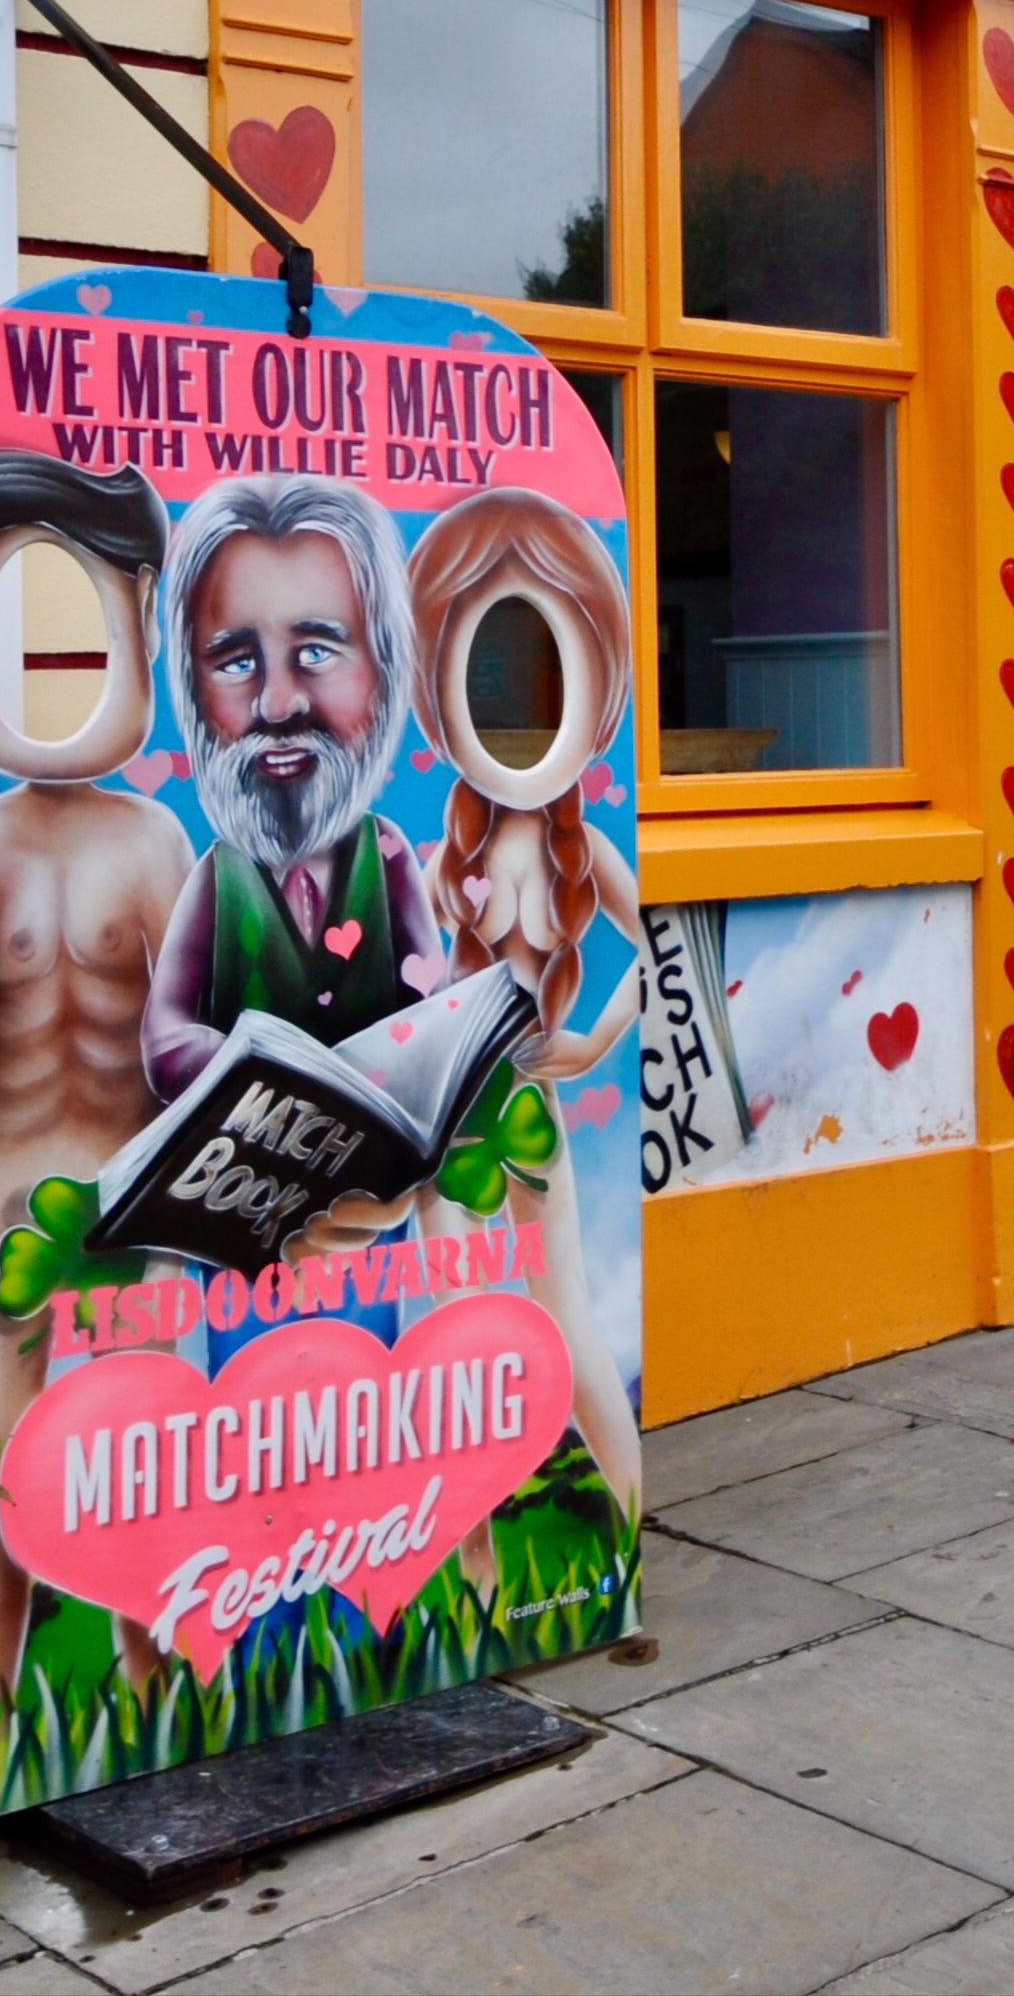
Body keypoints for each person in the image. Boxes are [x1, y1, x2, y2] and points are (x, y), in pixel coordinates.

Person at [0, 451, 193, 1732]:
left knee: (150, 1455)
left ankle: (164, 1692)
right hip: (4, 1198)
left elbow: (189, 1037)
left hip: (140, 1197)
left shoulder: (153, 841)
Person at [402, 489, 644, 1515]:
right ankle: (505, 1546)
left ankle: (570, 1543)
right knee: (510, 1318)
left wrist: (593, 1043)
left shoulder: (568, 849)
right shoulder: (452, 857)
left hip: (489, 1110)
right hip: (490, 1112)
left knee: (512, 1321)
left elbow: (653, 947)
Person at [142, 476, 451, 1258]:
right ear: (190, 680)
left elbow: (436, 1010)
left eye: (315, 651)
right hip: (239, 1206)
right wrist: (249, 1068)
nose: (277, 704)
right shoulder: (221, 875)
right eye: (236, 660)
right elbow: (165, 1033)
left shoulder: (387, 858)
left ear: (381, 669)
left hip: (369, 1206)